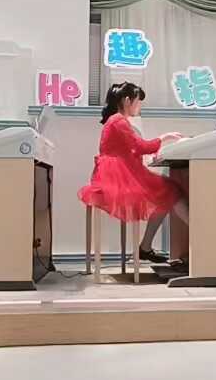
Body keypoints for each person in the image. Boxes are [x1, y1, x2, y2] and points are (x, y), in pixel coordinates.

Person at [78, 82, 189, 264]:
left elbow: (130, 148)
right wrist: (165, 137)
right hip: (120, 177)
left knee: (168, 193)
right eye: (138, 101)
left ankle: (145, 247)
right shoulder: (119, 121)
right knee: (172, 191)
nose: (140, 105)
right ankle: (199, 237)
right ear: (127, 100)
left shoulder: (114, 121)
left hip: (114, 175)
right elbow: (141, 146)